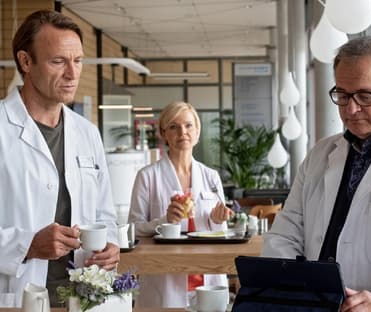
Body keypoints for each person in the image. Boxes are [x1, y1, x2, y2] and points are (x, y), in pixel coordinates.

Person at [262, 36, 371, 311]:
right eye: (342, 96)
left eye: (364, 96)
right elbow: (285, 234)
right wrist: (292, 286)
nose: (350, 109)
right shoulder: (321, 155)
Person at [0, 10, 119, 307]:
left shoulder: (88, 133)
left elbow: (105, 214)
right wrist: (26, 245)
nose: (72, 73)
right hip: (17, 295)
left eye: (77, 61)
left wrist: (112, 245)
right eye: (58, 61)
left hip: (81, 296)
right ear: (26, 61)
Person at [129, 101, 233, 308]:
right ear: (163, 133)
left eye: (188, 126)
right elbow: (133, 229)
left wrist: (217, 219)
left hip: (207, 274)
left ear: (197, 131)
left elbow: (221, 230)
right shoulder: (148, 176)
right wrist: (165, 220)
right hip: (164, 274)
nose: (182, 132)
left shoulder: (211, 177)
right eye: (173, 127)